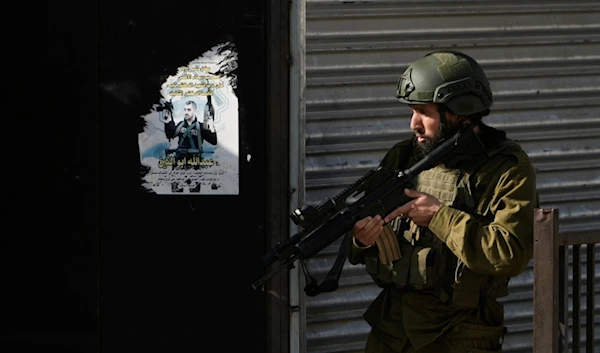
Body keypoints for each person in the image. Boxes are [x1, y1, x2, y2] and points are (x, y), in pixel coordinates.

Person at [347, 51, 538, 353]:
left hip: (458, 334)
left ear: (459, 113)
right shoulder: (404, 157)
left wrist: (439, 216)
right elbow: (360, 237)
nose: (414, 124)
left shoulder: (506, 167)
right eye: (412, 111)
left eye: (424, 112)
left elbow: (509, 253)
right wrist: (362, 239)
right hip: (392, 330)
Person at [163, 98, 217, 192]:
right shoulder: (180, 125)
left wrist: (212, 126)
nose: (186, 112)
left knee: (194, 194)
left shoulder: (200, 127)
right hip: (179, 163)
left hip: (194, 164)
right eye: (185, 109)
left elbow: (213, 140)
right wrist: (168, 120)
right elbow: (170, 134)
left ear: (194, 111)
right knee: (176, 193)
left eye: (189, 110)